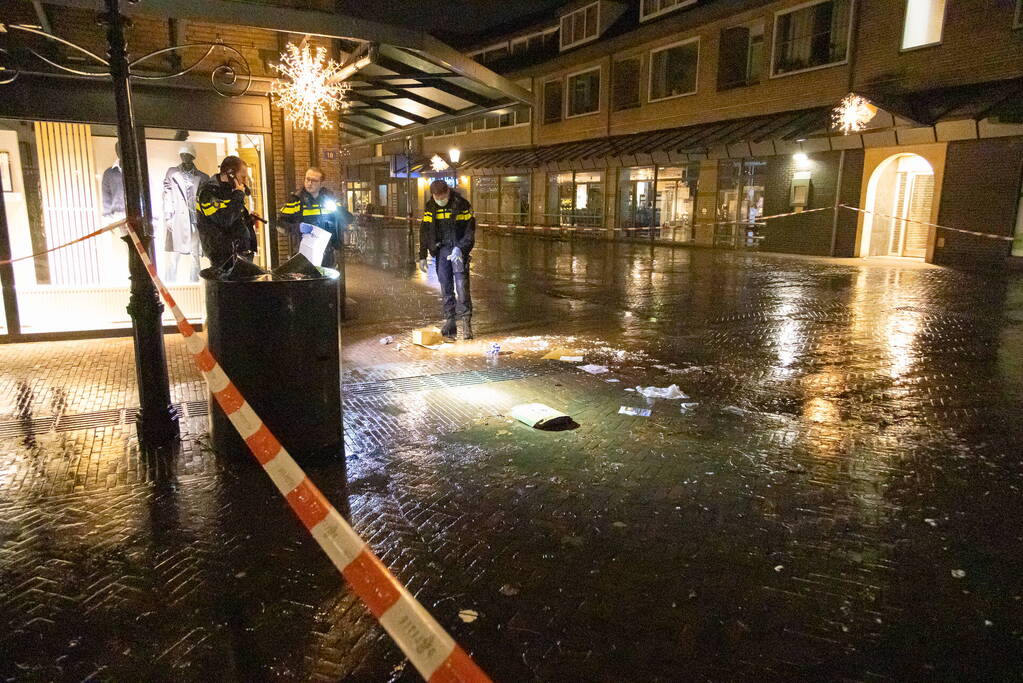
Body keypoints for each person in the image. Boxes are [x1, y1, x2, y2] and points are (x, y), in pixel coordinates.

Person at [419, 179, 475, 341]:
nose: (439, 199)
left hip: (458, 251)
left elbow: (470, 230)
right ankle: (450, 323)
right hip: (441, 251)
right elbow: (425, 231)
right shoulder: (431, 207)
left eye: (442, 196)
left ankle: (466, 324)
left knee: (462, 287)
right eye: (436, 196)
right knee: (446, 288)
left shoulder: (462, 204)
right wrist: (422, 255)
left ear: (447, 192)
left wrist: (461, 248)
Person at [278, 166, 353, 268]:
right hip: (303, 254)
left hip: (327, 254)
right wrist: (298, 227)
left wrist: (337, 209)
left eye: (314, 181)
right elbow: (280, 224)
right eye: (307, 179)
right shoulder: (296, 200)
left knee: (327, 282)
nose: (309, 183)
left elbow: (348, 219)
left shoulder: (329, 198)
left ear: (321, 184)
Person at [196, 156, 259, 268]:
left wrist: (248, 220)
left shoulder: (230, 190)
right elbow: (224, 220)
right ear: (231, 174)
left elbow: (233, 219)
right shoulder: (208, 193)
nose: (244, 182)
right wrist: (239, 195)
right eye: (243, 177)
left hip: (241, 253)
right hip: (224, 257)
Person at [163, 142, 209, 282]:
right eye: (182, 154)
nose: (184, 157)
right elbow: (167, 193)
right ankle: (170, 282)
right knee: (175, 254)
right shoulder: (172, 172)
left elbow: (205, 199)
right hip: (178, 217)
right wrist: (168, 216)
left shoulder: (202, 177)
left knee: (194, 253)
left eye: (187, 154)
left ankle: (194, 282)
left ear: (192, 156)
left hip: (195, 218)